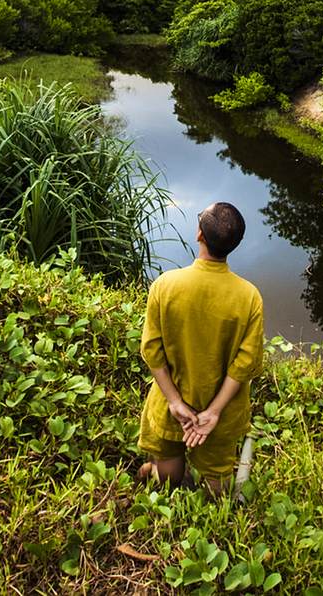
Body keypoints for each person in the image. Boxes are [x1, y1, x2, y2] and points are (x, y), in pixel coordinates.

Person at [137, 201, 264, 494]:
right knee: (217, 482)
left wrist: (174, 402)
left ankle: (154, 472)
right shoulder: (249, 297)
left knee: (169, 468)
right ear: (236, 244)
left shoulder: (165, 285)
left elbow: (152, 350)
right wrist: (215, 411)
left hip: (172, 406)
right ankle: (209, 500)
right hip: (222, 414)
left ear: (199, 235)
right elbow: (246, 364)